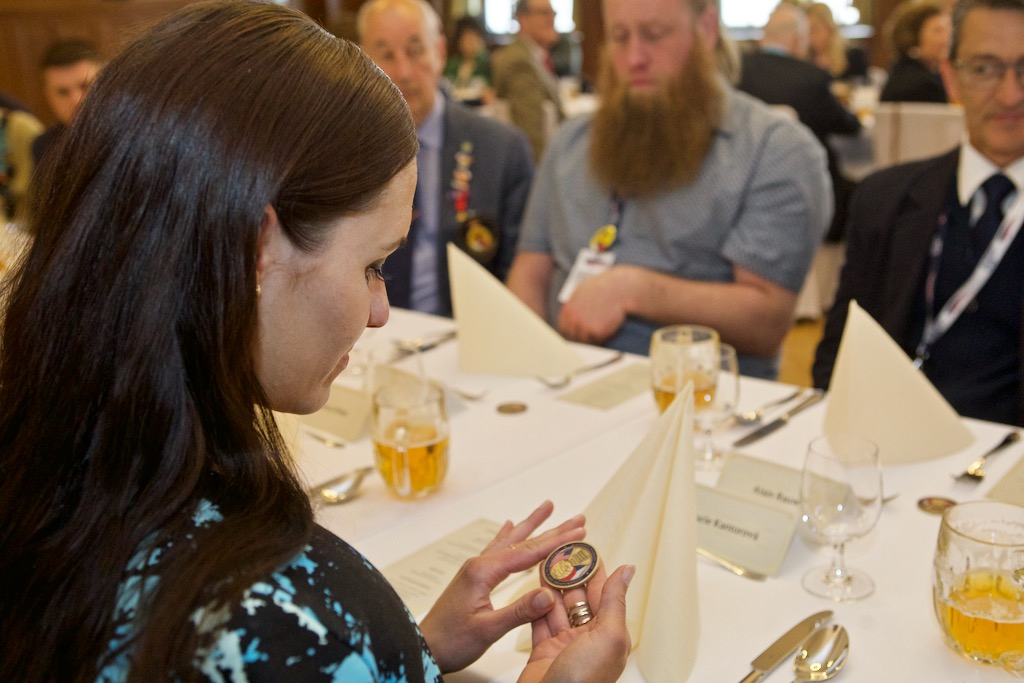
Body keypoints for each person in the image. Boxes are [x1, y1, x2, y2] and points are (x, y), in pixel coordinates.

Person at [0, 2, 633, 680]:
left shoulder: (63, 464)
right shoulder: (268, 619)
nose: (381, 310)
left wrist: (411, 650)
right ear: (257, 249)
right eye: (371, 265)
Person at [507, 0, 832, 379]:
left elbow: (765, 322)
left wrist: (634, 290)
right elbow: (530, 273)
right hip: (560, 380)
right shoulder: (570, 143)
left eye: (654, 35)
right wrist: (526, 369)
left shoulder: (774, 152)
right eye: (619, 37)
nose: (634, 58)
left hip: (693, 393)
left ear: (706, 29)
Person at [814, 0, 1024, 426]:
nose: (1010, 94)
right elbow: (838, 356)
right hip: (892, 441)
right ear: (951, 77)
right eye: (984, 68)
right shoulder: (885, 199)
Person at [357, 0, 533, 316]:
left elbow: (521, 274)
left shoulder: (501, 149)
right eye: (386, 55)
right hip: (367, 332)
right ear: (361, 60)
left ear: (439, 52)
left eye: (415, 51)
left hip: (469, 331)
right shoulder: (340, 152)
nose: (403, 72)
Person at [737, 3, 861, 244]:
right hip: (805, 191)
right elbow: (847, 126)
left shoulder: (735, 71)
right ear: (797, 41)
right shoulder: (811, 77)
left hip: (742, 188)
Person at [492, 0, 565, 161]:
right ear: (522, 19)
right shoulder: (519, 62)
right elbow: (531, 139)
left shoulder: (532, 56)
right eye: (544, 13)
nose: (552, 18)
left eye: (553, 13)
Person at [31, 38, 103, 164]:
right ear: (48, 97)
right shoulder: (44, 147)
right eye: (63, 92)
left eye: (85, 86)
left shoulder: (133, 132)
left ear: (106, 82)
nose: (76, 100)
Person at [879, 1, 952, 103]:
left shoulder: (903, 70)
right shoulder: (921, 85)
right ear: (913, 36)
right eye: (938, 31)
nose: (946, 38)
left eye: (948, 30)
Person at [805, 2, 869, 84]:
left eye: (814, 30)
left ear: (830, 28)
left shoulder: (854, 55)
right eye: (806, 32)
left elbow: (864, 85)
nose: (810, 37)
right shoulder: (803, 60)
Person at [443, 15, 493, 103]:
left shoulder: (488, 63)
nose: (470, 43)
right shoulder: (451, 64)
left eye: (473, 38)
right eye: (466, 39)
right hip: (455, 104)